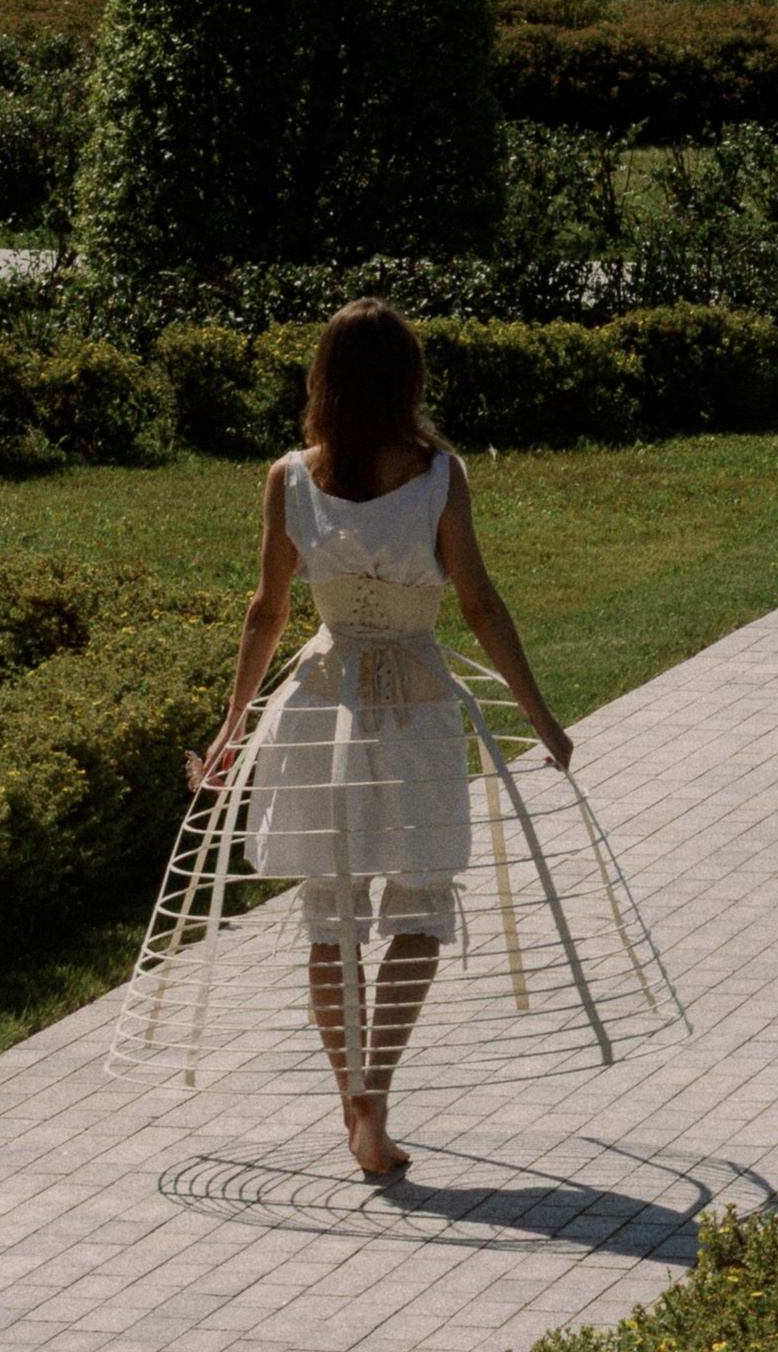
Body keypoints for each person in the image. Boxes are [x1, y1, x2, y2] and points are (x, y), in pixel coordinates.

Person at [186, 298, 576, 1180]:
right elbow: (478, 601)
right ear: (409, 381)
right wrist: (539, 716)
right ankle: (375, 1095)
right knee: (418, 907)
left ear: (322, 380)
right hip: (412, 710)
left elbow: (268, 611)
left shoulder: (289, 476)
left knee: (334, 914)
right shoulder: (439, 474)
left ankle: (351, 1093)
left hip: (321, 705)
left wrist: (231, 727)